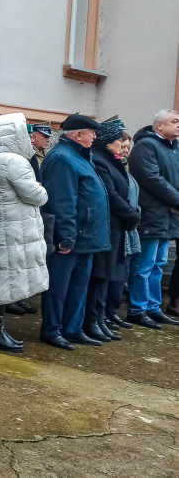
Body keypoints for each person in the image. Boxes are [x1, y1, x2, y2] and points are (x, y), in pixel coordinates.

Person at [0, 113, 49, 353]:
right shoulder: (14, 161)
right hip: (13, 229)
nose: (28, 138)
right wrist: (42, 189)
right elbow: (37, 195)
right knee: (5, 279)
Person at [40, 114, 110, 350]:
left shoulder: (79, 155)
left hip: (86, 235)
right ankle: (52, 329)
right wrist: (67, 235)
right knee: (59, 287)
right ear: (78, 134)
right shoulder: (62, 158)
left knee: (79, 286)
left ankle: (72, 328)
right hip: (71, 235)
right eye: (91, 132)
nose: (95, 136)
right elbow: (62, 201)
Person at [86, 118, 140, 341]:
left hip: (117, 227)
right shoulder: (100, 161)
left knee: (107, 277)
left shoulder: (112, 160)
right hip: (107, 226)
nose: (123, 143)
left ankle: (99, 319)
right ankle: (92, 320)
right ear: (107, 141)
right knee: (99, 276)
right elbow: (111, 194)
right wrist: (131, 214)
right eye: (120, 139)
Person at [125, 109, 179, 328]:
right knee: (144, 265)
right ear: (159, 126)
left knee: (158, 264)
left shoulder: (175, 148)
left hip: (168, 217)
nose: (178, 125)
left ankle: (153, 307)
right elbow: (152, 179)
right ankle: (137, 309)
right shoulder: (146, 146)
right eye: (174, 121)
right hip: (151, 215)